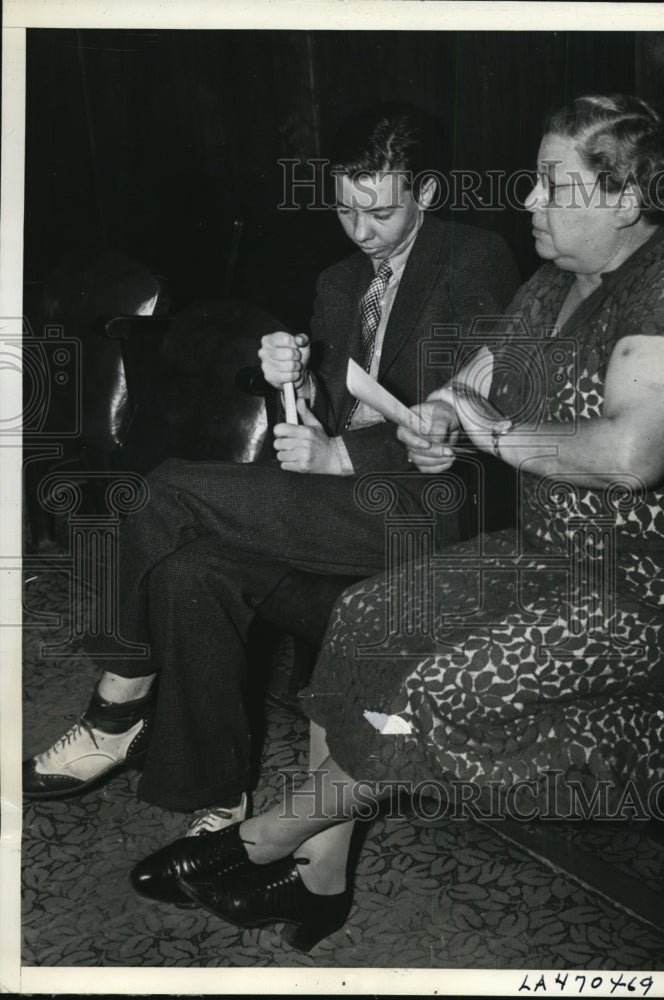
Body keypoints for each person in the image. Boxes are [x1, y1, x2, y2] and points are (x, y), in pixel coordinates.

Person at [128, 93, 664, 950]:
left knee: (435, 683)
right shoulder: (554, 285)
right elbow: (467, 389)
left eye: (549, 183)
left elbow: (627, 455)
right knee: (362, 620)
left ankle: (265, 836)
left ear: (622, 198)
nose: (527, 200)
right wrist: (437, 425)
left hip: (657, 590)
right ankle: (321, 879)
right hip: (546, 552)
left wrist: (486, 432)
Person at [22, 104, 519, 832]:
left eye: (379, 210)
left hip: (426, 508)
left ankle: (117, 706)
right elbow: (319, 412)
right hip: (337, 505)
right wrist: (298, 382)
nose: (359, 228)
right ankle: (214, 799)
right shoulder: (337, 281)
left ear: (428, 194)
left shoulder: (474, 260)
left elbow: (459, 407)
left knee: (164, 493)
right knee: (195, 570)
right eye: (345, 207)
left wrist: (343, 452)